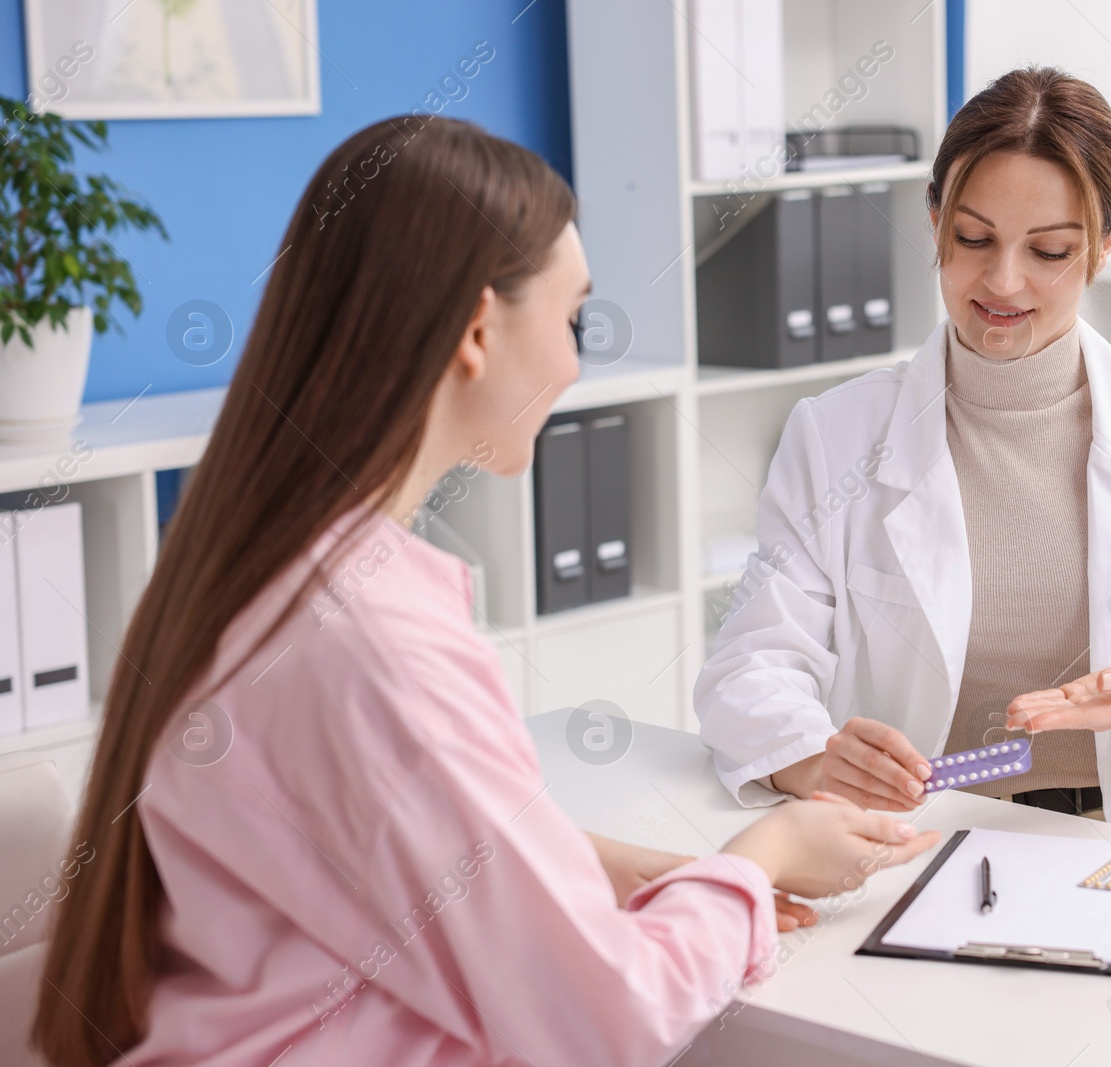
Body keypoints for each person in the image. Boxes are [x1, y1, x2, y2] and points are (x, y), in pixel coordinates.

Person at [31, 117, 939, 1067]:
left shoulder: (258, 565)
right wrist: (766, 855)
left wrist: (641, 872)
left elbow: (388, 852)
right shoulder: (374, 643)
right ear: (477, 328)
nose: (575, 364)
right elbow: (608, 1020)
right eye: (572, 318)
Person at [696, 67, 1111, 854]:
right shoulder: (836, 435)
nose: (1003, 281)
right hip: (922, 837)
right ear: (936, 219)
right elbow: (747, 668)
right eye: (973, 238)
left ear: (1106, 244)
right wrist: (815, 759)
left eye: (1048, 250)